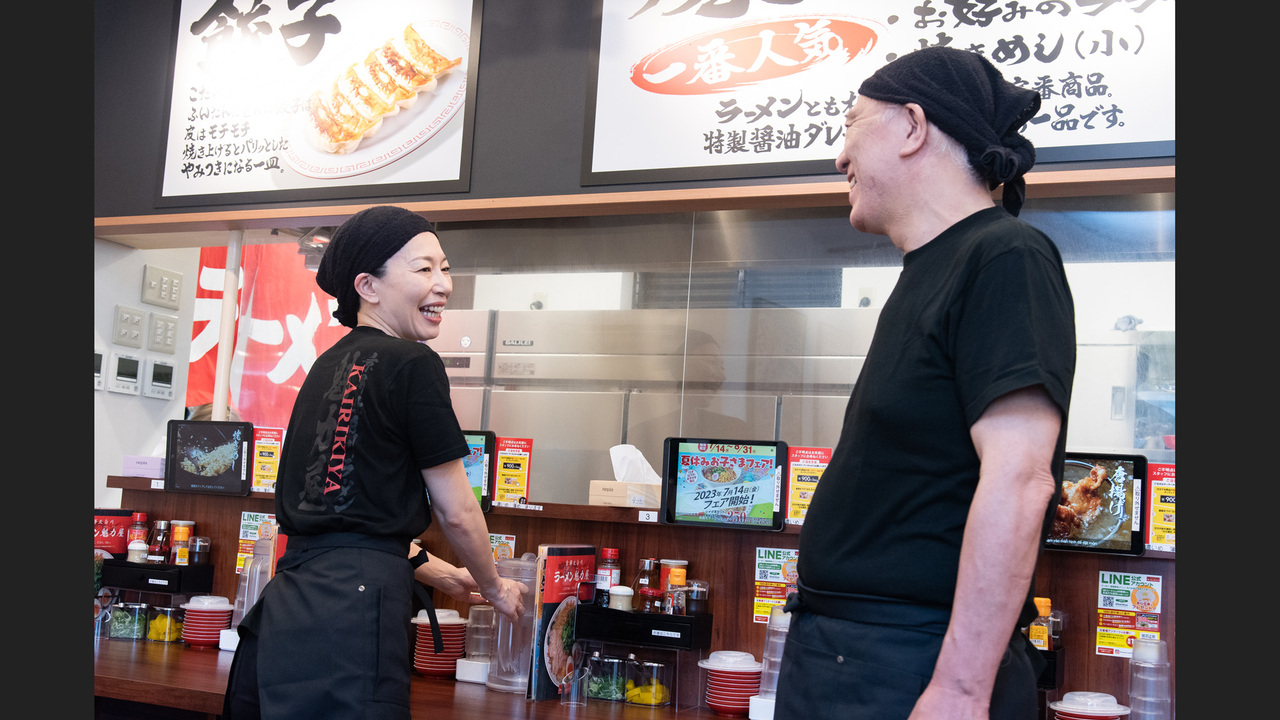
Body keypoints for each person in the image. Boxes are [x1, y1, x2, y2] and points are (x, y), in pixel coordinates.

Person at [774, 47, 1076, 720]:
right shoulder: (928, 268)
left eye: (851, 125)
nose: (839, 158)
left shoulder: (1005, 255)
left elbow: (1021, 479)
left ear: (913, 126)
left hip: (913, 664)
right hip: (852, 656)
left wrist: (961, 689)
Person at [223, 205, 528, 719]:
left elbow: (346, 521)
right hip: (353, 618)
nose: (443, 284)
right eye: (423, 269)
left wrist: (449, 577)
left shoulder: (325, 365)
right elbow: (456, 510)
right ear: (368, 286)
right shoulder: (414, 364)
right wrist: (494, 587)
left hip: (285, 613)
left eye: (445, 268)